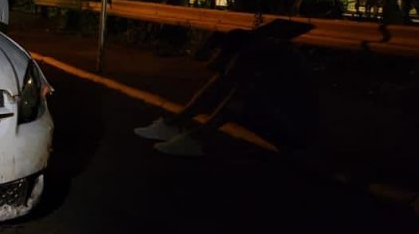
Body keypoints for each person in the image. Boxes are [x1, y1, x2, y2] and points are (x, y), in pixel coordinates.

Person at [134, 20, 313, 156]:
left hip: (293, 132)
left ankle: (196, 138)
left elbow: (236, 92)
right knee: (222, 86)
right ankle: (177, 124)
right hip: (285, 121)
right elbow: (223, 81)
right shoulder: (264, 52)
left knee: (236, 98)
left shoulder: (267, 60)